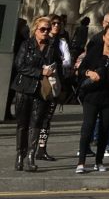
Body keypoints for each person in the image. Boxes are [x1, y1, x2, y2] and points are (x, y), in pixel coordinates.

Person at [75, 21, 109, 173]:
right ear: (104, 37)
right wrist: (89, 73)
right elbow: (80, 70)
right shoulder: (95, 51)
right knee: (88, 127)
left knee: (105, 130)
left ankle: (99, 161)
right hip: (92, 96)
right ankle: (81, 162)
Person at [13, 15, 62, 171]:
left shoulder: (52, 47)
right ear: (35, 29)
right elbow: (20, 65)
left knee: (36, 124)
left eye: (48, 30)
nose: (46, 32)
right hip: (24, 89)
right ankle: (20, 156)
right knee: (22, 125)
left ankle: (30, 157)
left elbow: (56, 65)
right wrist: (41, 71)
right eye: (43, 29)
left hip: (42, 91)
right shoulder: (26, 45)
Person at [34, 14, 72, 162]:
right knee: (35, 117)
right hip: (38, 83)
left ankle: (42, 149)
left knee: (47, 118)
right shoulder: (39, 41)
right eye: (53, 23)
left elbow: (68, 61)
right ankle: (30, 148)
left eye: (59, 24)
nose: (56, 26)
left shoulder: (61, 42)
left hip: (55, 83)